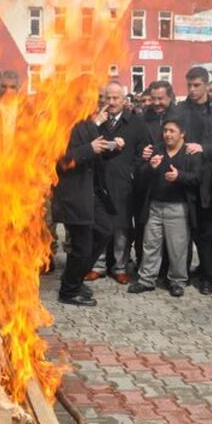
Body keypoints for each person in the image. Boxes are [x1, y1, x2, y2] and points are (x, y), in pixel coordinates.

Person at [54, 79, 113, 306]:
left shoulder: (89, 121)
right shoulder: (61, 122)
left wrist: (112, 147)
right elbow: (60, 161)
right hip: (73, 194)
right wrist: (89, 149)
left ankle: (75, 279)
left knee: (105, 230)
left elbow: (98, 148)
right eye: (95, 97)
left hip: (91, 192)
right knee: (82, 245)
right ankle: (69, 291)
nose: (100, 101)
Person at [129, 117, 201, 297]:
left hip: (178, 207)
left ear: (182, 133)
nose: (167, 134)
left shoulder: (190, 152)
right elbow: (140, 176)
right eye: (165, 130)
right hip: (154, 205)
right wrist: (150, 168)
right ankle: (147, 279)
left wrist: (180, 176)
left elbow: (198, 178)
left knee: (178, 247)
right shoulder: (157, 150)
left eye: (172, 131)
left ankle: (177, 281)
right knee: (150, 244)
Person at [88, 81, 149, 284]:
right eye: (108, 98)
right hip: (99, 181)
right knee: (99, 225)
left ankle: (120, 266)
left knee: (122, 227)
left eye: (116, 98)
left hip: (124, 183)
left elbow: (144, 150)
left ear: (124, 100)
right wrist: (96, 124)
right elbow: (85, 144)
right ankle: (98, 265)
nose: (112, 102)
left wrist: (133, 171)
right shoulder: (96, 120)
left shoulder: (136, 122)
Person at [174, 67, 212, 295]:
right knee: (183, 231)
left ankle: (208, 275)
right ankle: (179, 274)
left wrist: (204, 148)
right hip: (181, 179)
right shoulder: (179, 111)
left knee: (205, 231)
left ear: (206, 84)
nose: (192, 90)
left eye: (196, 85)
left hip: (207, 181)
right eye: (189, 85)